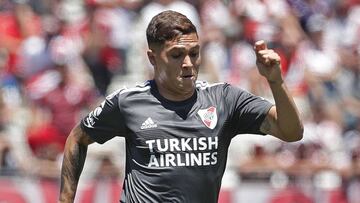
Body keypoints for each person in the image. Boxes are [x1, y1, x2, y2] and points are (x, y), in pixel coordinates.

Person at [58, 10, 303, 203]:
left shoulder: (225, 100)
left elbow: (291, 132)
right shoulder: (128, 102)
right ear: (153, 58)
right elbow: (77, 139)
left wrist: (275, 81)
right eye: (176, 55)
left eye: (194, 53)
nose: (188, 64)